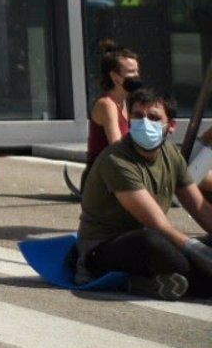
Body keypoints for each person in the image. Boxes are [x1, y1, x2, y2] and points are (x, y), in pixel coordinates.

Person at [75, 86, 212, 298]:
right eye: (138, 116)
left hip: (154, 242)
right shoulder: (117, 160)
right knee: (153, 242)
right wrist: (202, 254)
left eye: (154, 117)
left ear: (171, 126)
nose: (144, 123)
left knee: (195, 247)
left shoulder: (171, 153)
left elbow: (200, 208)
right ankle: (194, 281)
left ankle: (153, 283)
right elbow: (157, 223)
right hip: (103, 251)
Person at [87, 42, 138, 164]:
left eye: (137, 71)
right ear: (115, 77)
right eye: (131, 72)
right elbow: (117, 147)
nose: (136, 76)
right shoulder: (107, 105)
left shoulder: (127, 102)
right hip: (102, 176)